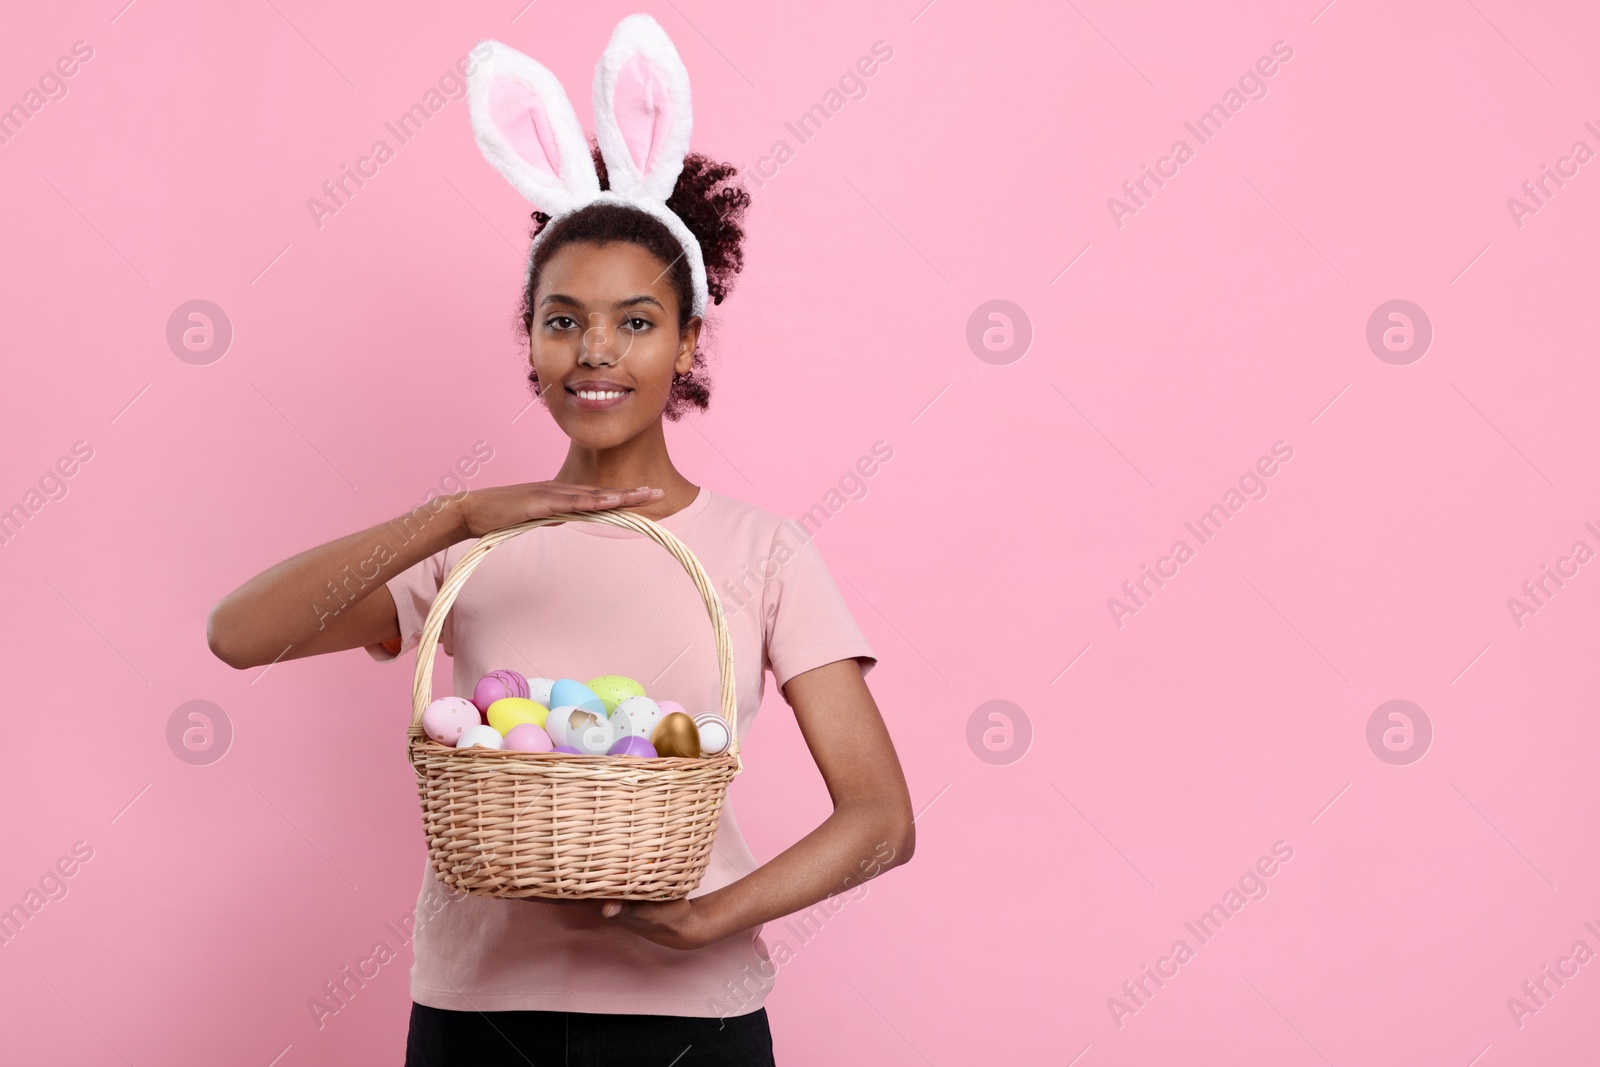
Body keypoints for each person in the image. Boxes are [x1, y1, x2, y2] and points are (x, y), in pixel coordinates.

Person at [206, 18, 914, 1064]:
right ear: (530, 336)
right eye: (561, 318)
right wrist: (450, 516)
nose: (594, 351)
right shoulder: (471, 545)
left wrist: (708, 917)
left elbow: (880, 817)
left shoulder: (762, 549)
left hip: (692, 1017)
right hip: (479, 1012)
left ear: (686, 343)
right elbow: (239, 634)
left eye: (635, 321)